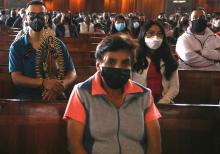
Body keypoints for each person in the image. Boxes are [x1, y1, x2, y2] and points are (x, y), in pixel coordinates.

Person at [63, 34, 161, 154]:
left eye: (125, 63)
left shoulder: (144, 95)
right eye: (111, 62)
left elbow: (155, 146)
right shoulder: (82, 93)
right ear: (98, 65)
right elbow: (74, 145)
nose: (118, 67)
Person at [9, 1, 77, 100]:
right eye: (32, 15)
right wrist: (44, 82)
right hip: (27, 100)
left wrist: (59, 87)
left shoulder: (57, 44)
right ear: (26, 19)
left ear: (46, 18)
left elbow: (72, 72)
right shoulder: (17, 46)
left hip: (55, 98)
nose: (36, 18)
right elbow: (16, 78)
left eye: (41, 15)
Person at [132, 20, 179, 104]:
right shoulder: (134, 56)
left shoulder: (168, 58)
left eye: (159, 34)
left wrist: (164, 101)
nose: (155, 37)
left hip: (162, 102)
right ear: (143, 34)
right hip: (138, 102)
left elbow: (174, 87)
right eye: (151, 33)